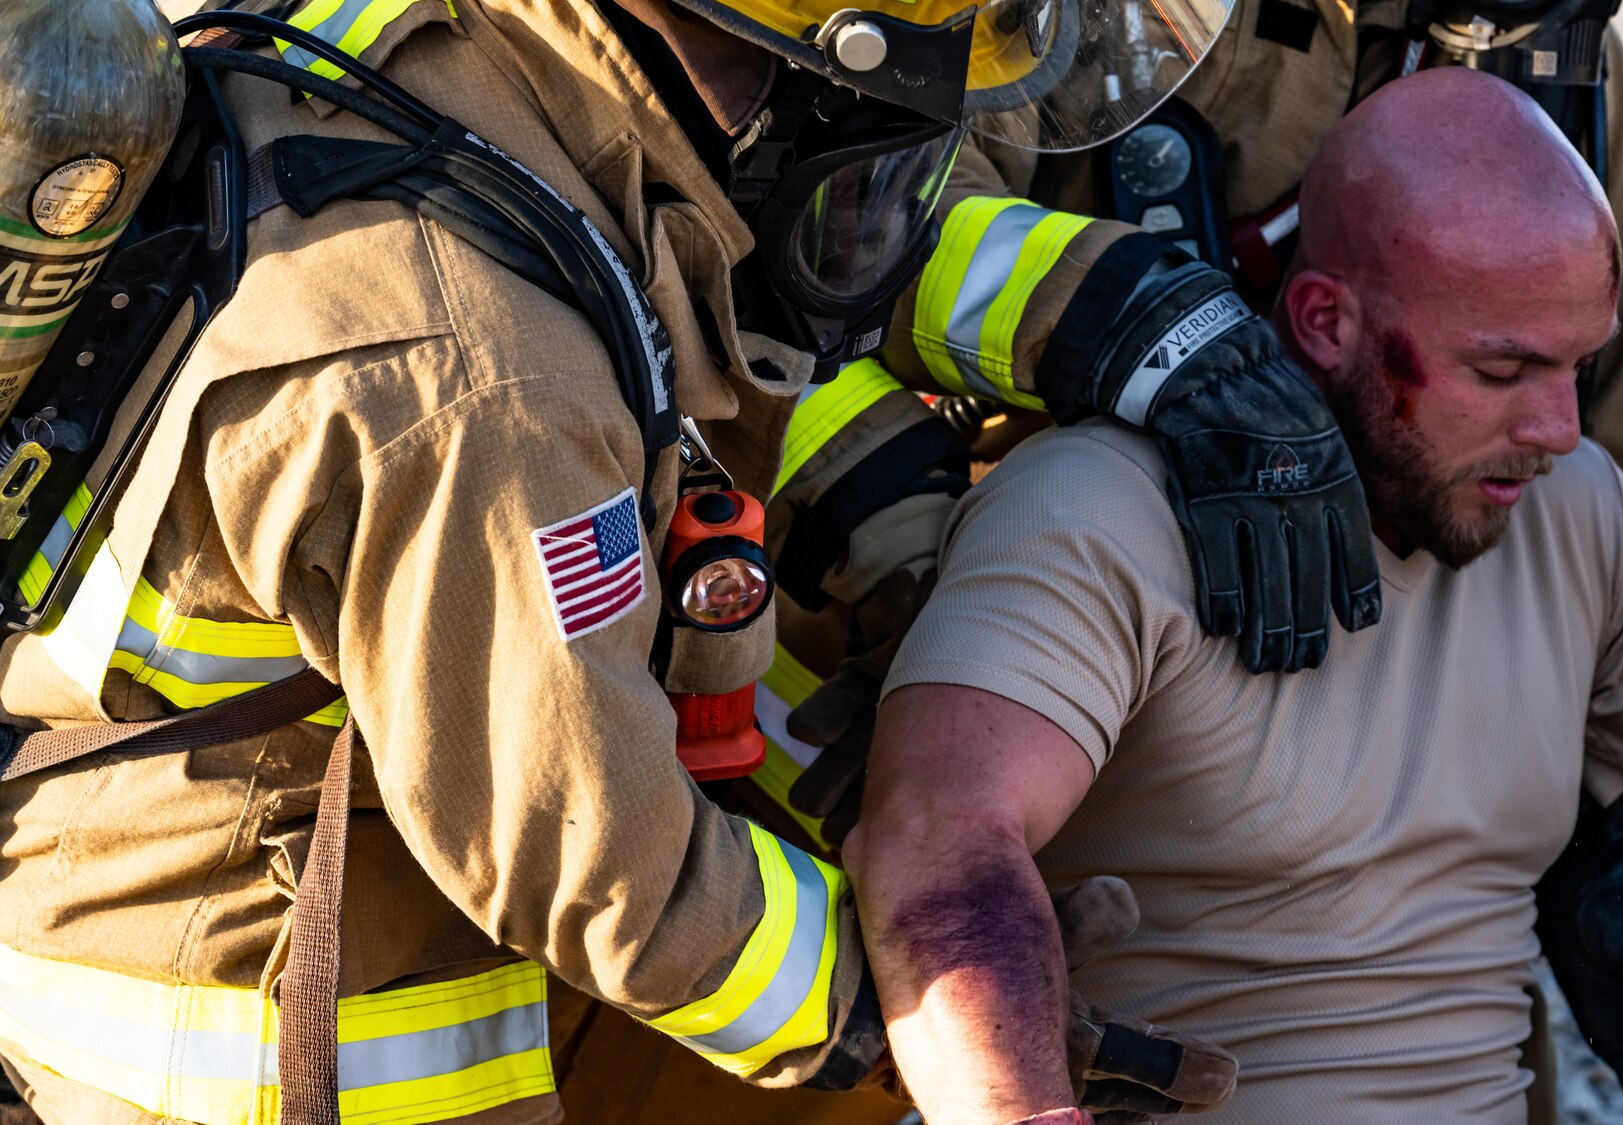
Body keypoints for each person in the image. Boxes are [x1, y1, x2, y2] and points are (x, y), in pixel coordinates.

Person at [0, 0, 1248, 1122]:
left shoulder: (450, 67)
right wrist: (902, 1004)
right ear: (760, 78)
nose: (882, 201)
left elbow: (689, 318)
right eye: (875, 145)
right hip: (277, 1044)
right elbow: (595, 860)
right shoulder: (483, 385)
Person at [841, 68, 1623, 1124]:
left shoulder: (1569, 507)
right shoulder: (1099, 512)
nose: (1559, 429)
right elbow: (939, 840)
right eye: (1500, 371)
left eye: (1577, 367)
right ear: (1325, 321)